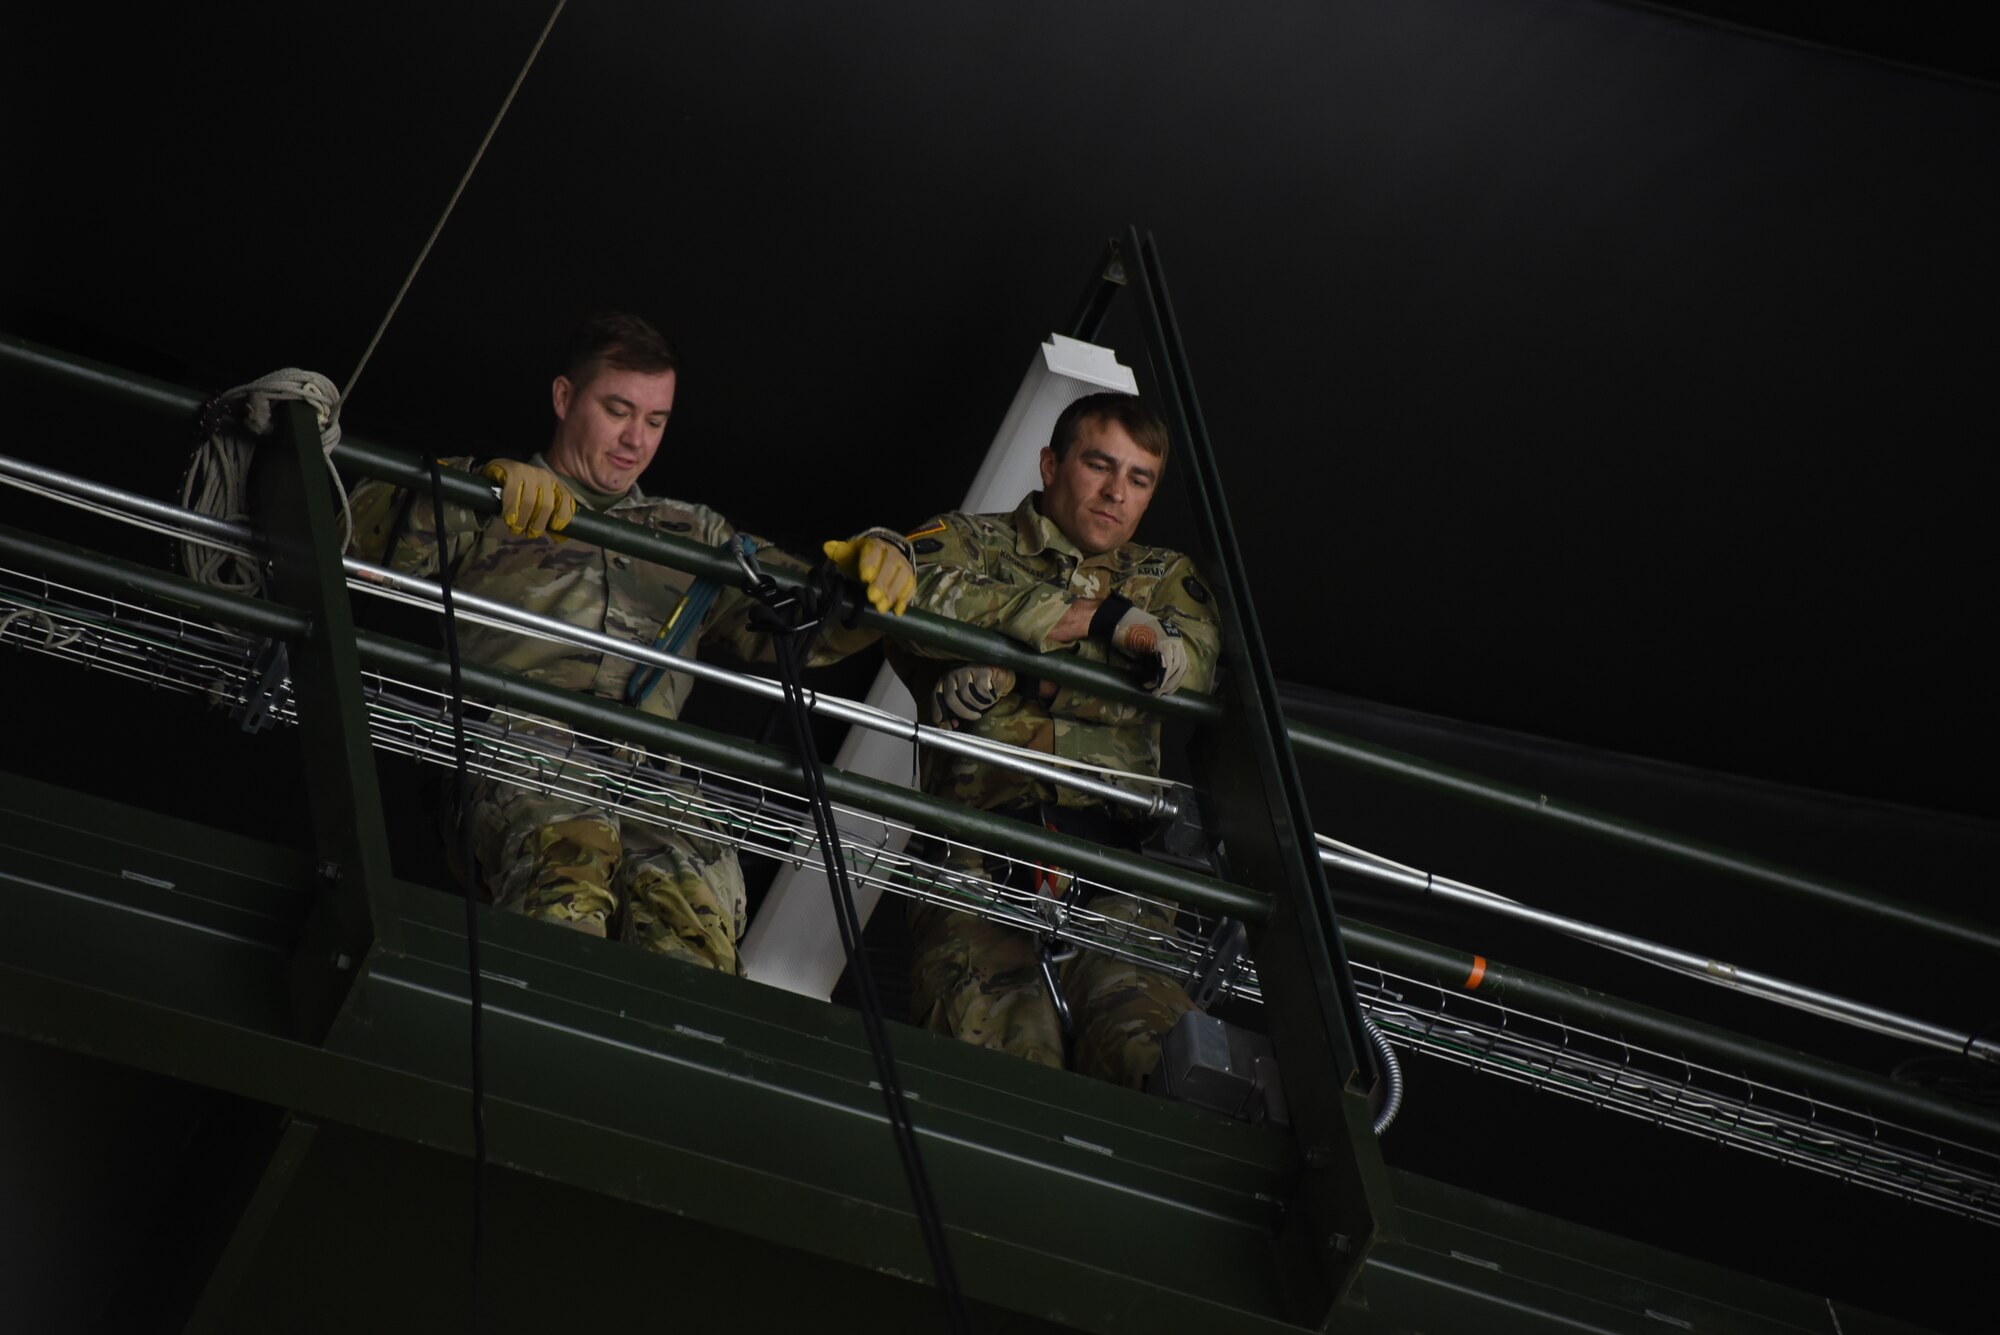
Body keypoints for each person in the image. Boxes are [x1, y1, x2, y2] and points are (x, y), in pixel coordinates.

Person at [347, 311, 914, 976]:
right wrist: (473, 483)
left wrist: (877, 572)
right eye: (618, 410)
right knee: (568, 866)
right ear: (564, 398)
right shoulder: (496, 498)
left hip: (653, 777)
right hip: (522, 748)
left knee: (694, 917)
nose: (634, 440)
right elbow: (353, 532)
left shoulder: (691, 533)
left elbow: (802, 627)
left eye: (655, 420)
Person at [886, 391, 1222, 1088]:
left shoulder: (1164, 579)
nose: (1115, 493)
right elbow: (902, 596)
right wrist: (1091, 619)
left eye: (1139, 478)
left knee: (1163, 1073)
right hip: (978, 867)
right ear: (1050, 463)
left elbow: (1186, 670)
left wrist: (1027, 676)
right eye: (1099, 465)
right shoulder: (970, 541)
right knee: (1002, 1089)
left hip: (1118, 879)